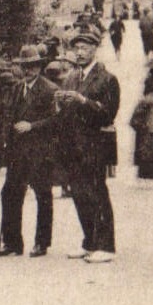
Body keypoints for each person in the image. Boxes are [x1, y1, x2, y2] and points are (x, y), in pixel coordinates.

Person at [55, 22, 120, 262]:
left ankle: (106, 245)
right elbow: (64, 113)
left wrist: (83, 101)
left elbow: (108, 114)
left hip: (95, 145)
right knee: (80, 194)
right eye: (77, 48)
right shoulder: (72, 77)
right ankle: (89, 241)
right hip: (73, 145)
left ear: (95, 49)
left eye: (84, 48)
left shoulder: (107, 79)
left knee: (97, 192)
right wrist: (61, 101)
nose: (79, 52)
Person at [0, 44, 58, 257]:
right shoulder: (15, 89)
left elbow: (57, 120)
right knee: (10, 193)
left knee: (43, 195)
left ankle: (42, 243)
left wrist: (32, 126)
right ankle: (12, 243)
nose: (30, 69)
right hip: (17, 152)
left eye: (34, 65)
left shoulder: (50, 89)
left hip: (40, 151)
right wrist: (3, 153)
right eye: (25, 66)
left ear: (40, 66)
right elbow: (6, 119)